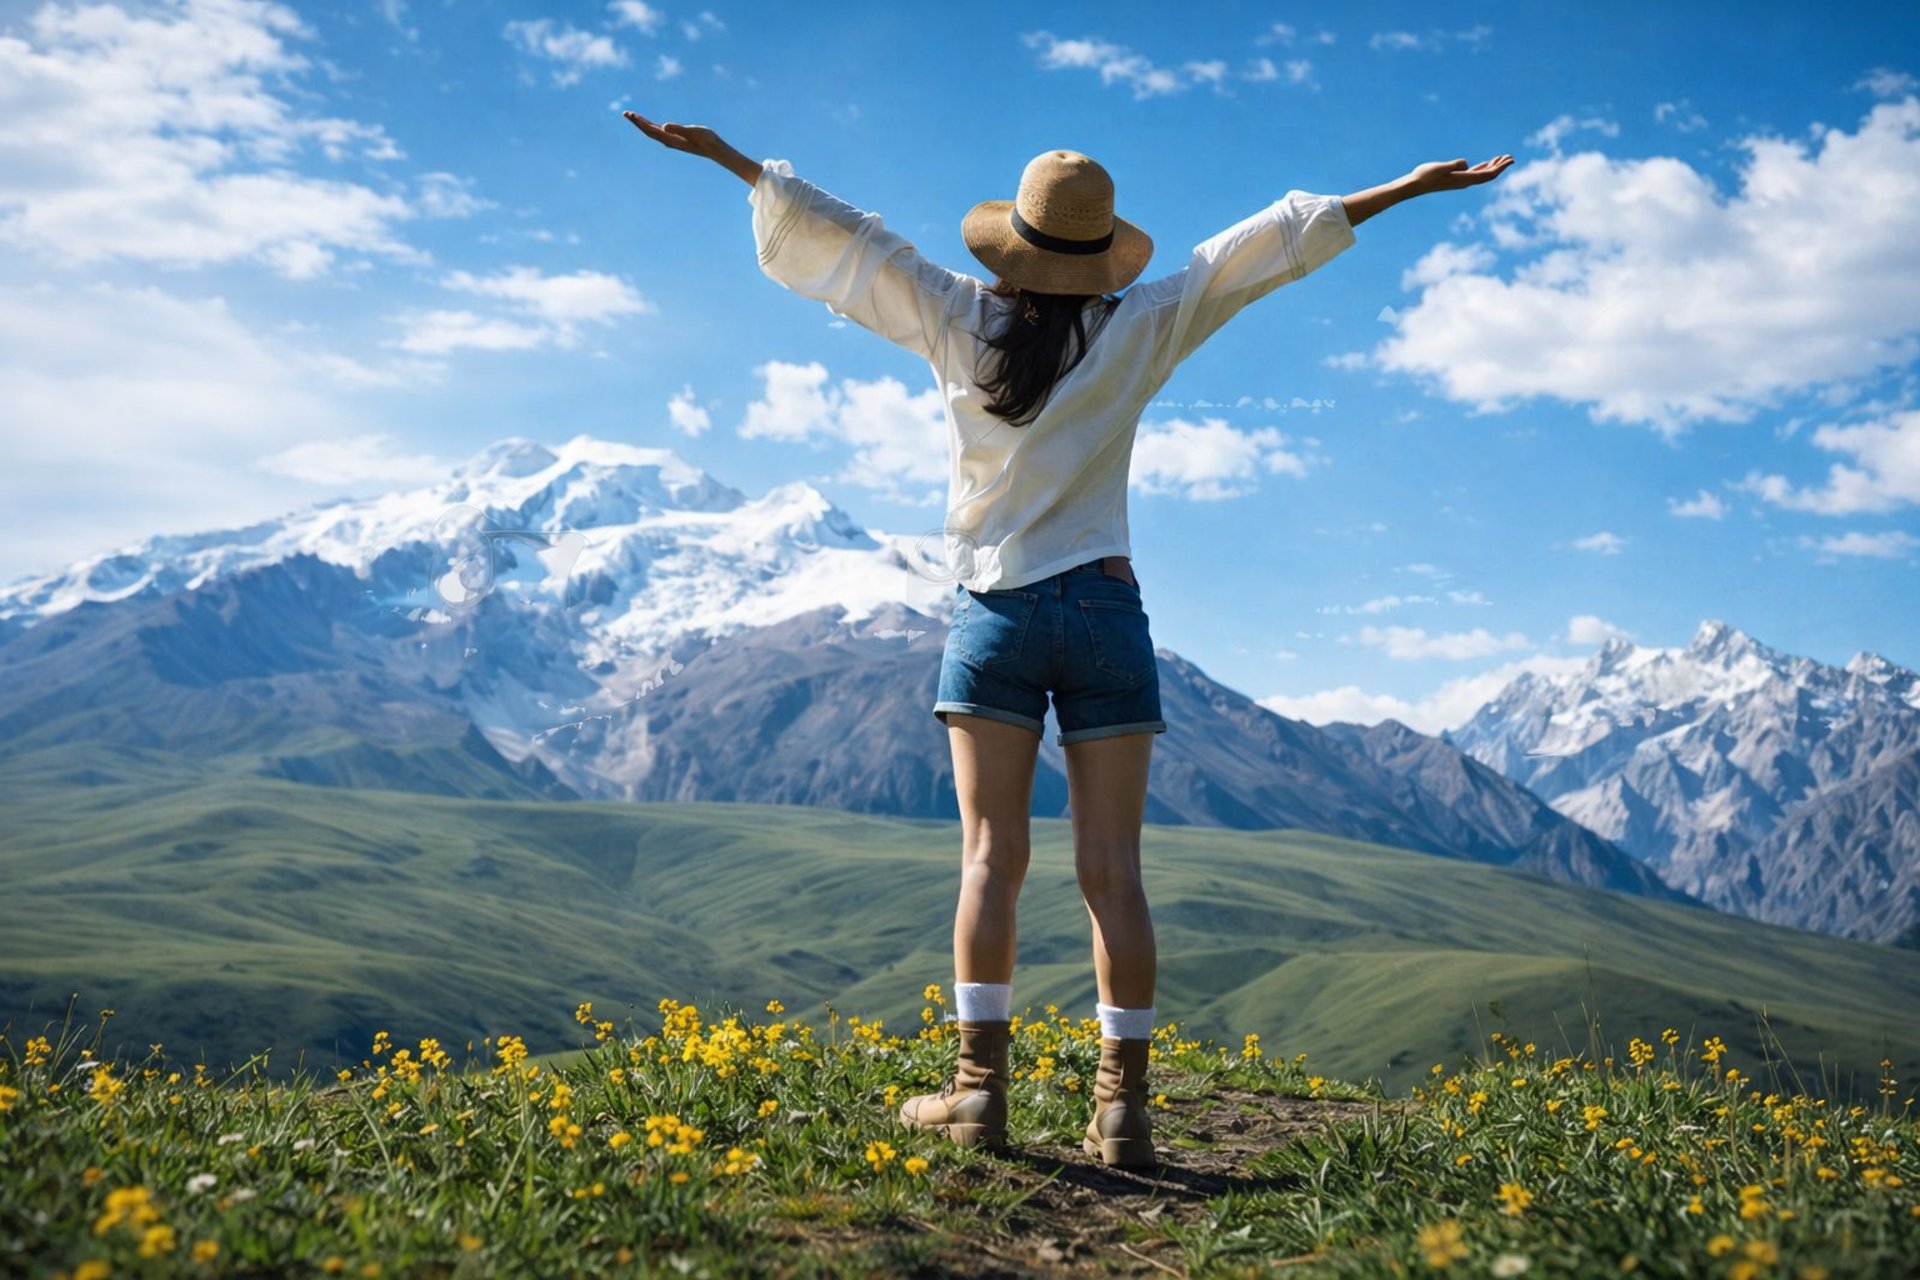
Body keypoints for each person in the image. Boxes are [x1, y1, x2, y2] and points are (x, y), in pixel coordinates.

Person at [623, 109, 1511, 1166]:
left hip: (995, 611)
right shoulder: (1141, 325)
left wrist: (729, 159)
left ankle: (975, 1092)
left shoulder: (957, 319)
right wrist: (1404, 187)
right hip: (1105, 612)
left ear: (1015, 242)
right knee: (1114, 872)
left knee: (990, 858)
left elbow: (849, 237)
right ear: (1099, 250)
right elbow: (1259, 247)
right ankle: (1123, 1109)